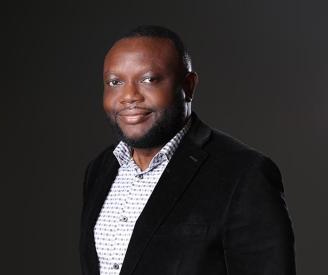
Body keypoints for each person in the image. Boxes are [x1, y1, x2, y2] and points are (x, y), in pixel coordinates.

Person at [79, 25, 296, 275]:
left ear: (189, 86)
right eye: (115, 82)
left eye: (148, 79)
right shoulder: (100, 169)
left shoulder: (243, 174)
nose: (129, 96)